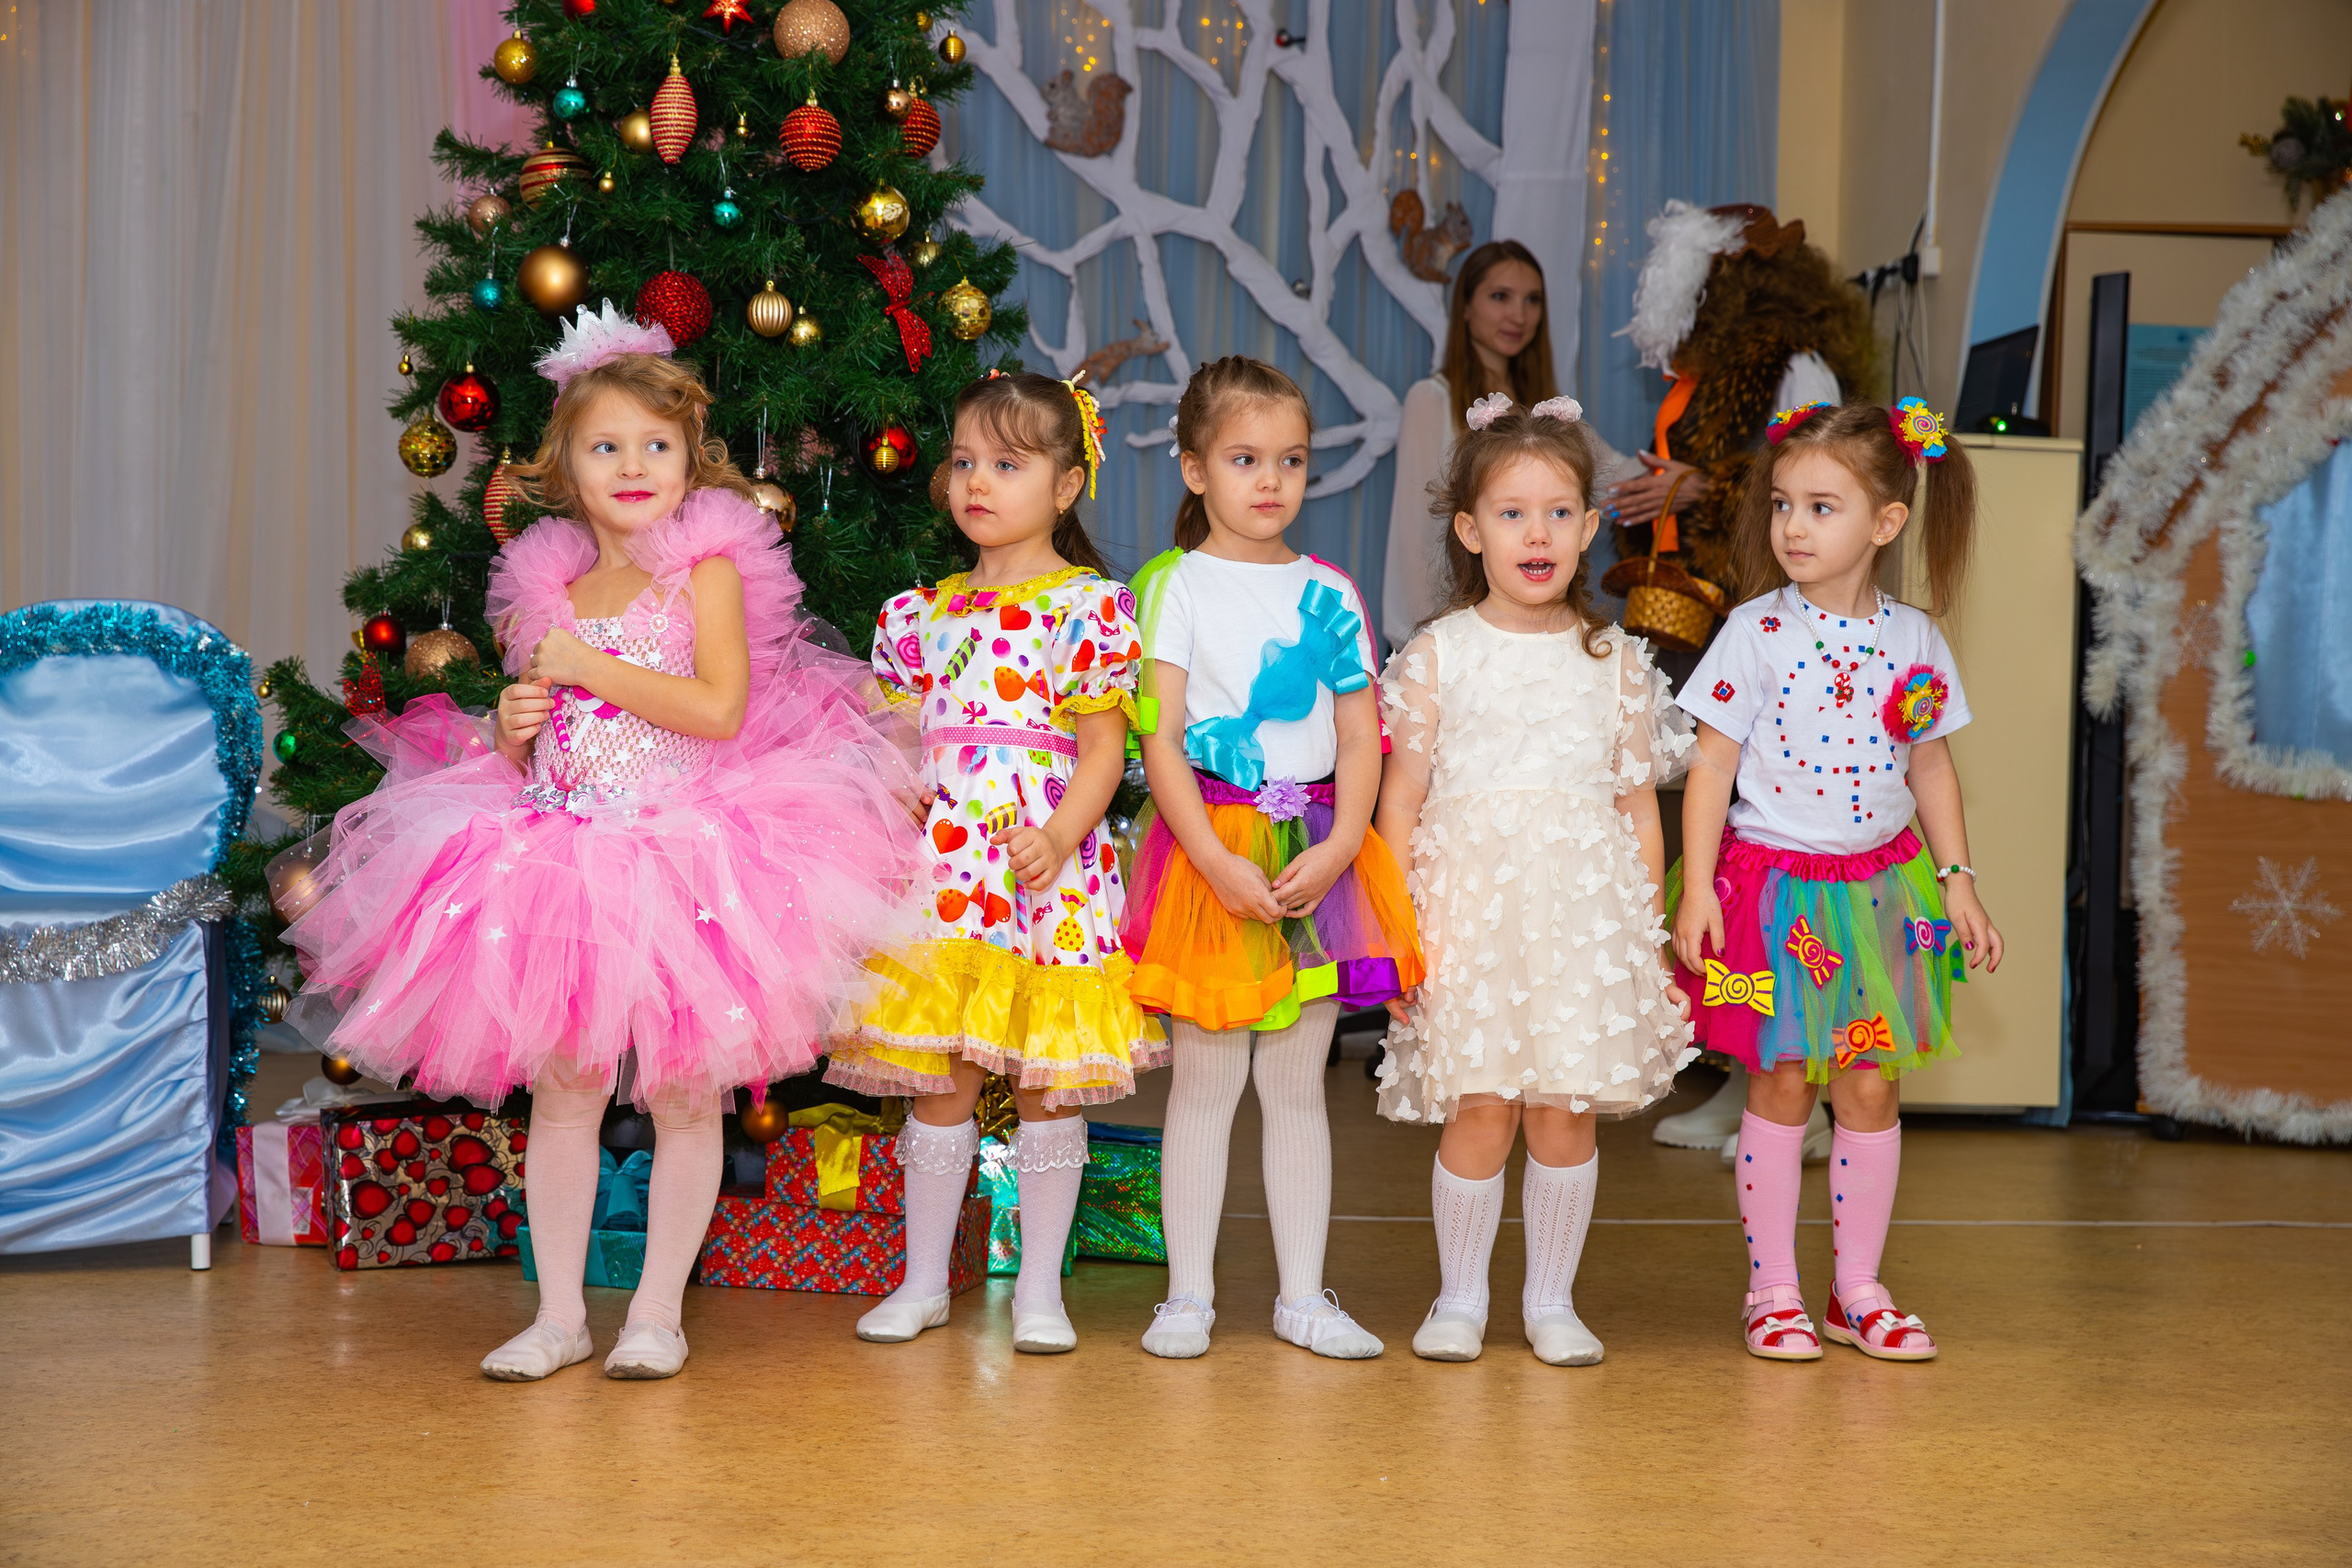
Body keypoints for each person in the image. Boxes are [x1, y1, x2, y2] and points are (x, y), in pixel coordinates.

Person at [284, 301, 922, 1382]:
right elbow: (549, 729)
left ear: (689, 461)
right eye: (606, 447)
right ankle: (562, 1312)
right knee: (566, 1091)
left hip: (688, 857)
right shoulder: (551, 590)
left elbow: (718, 709)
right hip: (563, 859)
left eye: (656, 446)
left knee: (686, 1094)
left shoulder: (706, 572)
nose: (633, 465)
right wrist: (509, 728)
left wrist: (588, 668)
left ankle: (658, 1314)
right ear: (566, 470)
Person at [823, 370, 1159, 1355]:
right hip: (949, 877)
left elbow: (1104, 749)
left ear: (1064, 486)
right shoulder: (916, 614)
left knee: (1049, 1082)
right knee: (944, 1081)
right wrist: (895, 779)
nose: (977, 481)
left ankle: (1042, 1290)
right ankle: (924, 1279)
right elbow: (893, 736)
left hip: (1043, 871)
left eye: (1007, 464)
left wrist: (1058, 838)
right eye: (965, 461)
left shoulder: (1086, 610)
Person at [1669, 399, 2002, 1362]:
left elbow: (1929, 766)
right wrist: (1695, 889)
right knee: (1777, 1082)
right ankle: (1770, 1289)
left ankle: (1856, 1287)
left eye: (1820, 507)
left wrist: (1960, 881)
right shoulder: (1752, 632)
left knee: (1867, 1089)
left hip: (1884, 899)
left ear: (1884, 523)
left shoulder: (1916, 641)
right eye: (1782, 505)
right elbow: (1712, 764)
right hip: (1773, 895)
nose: (1793, 527)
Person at [1374, 392, 1697, 1366]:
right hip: (1467, 920)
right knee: (1479, 1109)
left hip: (1580, 926)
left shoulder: (1616, 664)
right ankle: (1459, 1297)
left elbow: (1640, 806)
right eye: (1512, 514)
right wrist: (1397, 931)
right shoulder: (1439, 656)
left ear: (1591, 527)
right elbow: (1399, 805)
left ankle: (1550, 1302)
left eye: (1559, 511)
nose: (1537, 533)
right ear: (1471, 531)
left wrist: (1639, 932)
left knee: (1562, 1112)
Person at [1122, 355, 1424, 1360]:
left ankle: (1302, 1296)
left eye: (1289, 460)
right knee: (1206, 1083)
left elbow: (1356, 737)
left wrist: (1344, 843)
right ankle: (1189, 1297)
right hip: (1210, 855)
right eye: (1245, 458)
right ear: (1194, 467)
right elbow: (1158, 741)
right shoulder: (1173, 586)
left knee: (1297, 1085)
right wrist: (1211, 859)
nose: (1269, 481)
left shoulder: (1328, 590)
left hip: (1318, 864)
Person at [1609, 202, 1875, 1159]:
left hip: (1773, 634)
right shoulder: (1702, 376)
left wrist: (1695, 489)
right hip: (1700, 623)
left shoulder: (1791, 365)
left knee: (1784, 866)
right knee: (1722, 862)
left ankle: (1800, 1091)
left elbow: (1812, 479)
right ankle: (1744, 1065)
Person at [1381, 241, 1642, 652]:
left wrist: (1686, 480)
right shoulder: (1432, 399)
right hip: (1457, 640)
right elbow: (1416, 537)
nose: (1519, 315)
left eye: (1532, 300)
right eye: (1500, 296)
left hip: (1544, 632)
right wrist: (1421, 644)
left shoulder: (1552, 411)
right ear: (1465, 306)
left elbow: (1615, 475)